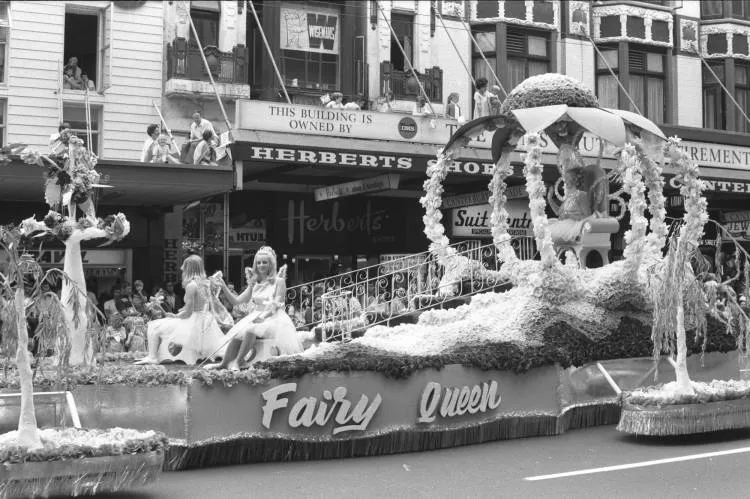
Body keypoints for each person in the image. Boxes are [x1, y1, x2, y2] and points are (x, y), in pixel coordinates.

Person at [205, 246, 303, 370]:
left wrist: (262, 317)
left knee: (251, 329)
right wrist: (223, 286)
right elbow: (236, 301)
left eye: (265, 262)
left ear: (271, 264)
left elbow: (278, 305)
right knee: (237, 333)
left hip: (274, 318)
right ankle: (224, 363)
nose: (261, 265)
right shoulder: (254, 282)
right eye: (259, 262)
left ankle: (240, 361)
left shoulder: (279, 281)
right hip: (255, 315)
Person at [134, 255, 227, 365]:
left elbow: (188, 312)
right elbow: (201, 306)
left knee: (154, 326)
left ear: (190, 268)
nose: (181, 268)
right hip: (204, 319)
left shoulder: (192, 285)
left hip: (193, 321)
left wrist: (174, 316)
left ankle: (152, 357)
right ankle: (154, 356)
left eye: (184, 265)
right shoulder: (205, 283)